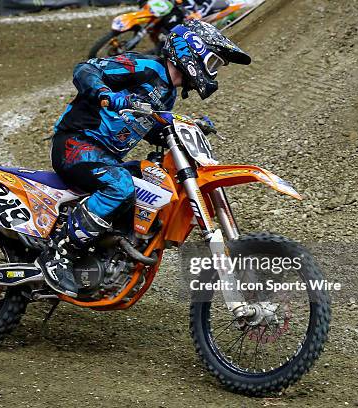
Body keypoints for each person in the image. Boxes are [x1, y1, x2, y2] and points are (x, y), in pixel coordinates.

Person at [36, 20, 251, 297]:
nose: (213, 72)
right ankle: (57, 255)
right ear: (192, 52)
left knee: (151, 182)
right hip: (76, 143)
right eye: (213, 63)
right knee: (120, 186)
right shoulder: (145, 67)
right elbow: (86, 69)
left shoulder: (168, 94)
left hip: (106, 157)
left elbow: (150, 126)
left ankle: (103, 256)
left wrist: (184, 126)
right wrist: (105, 93)